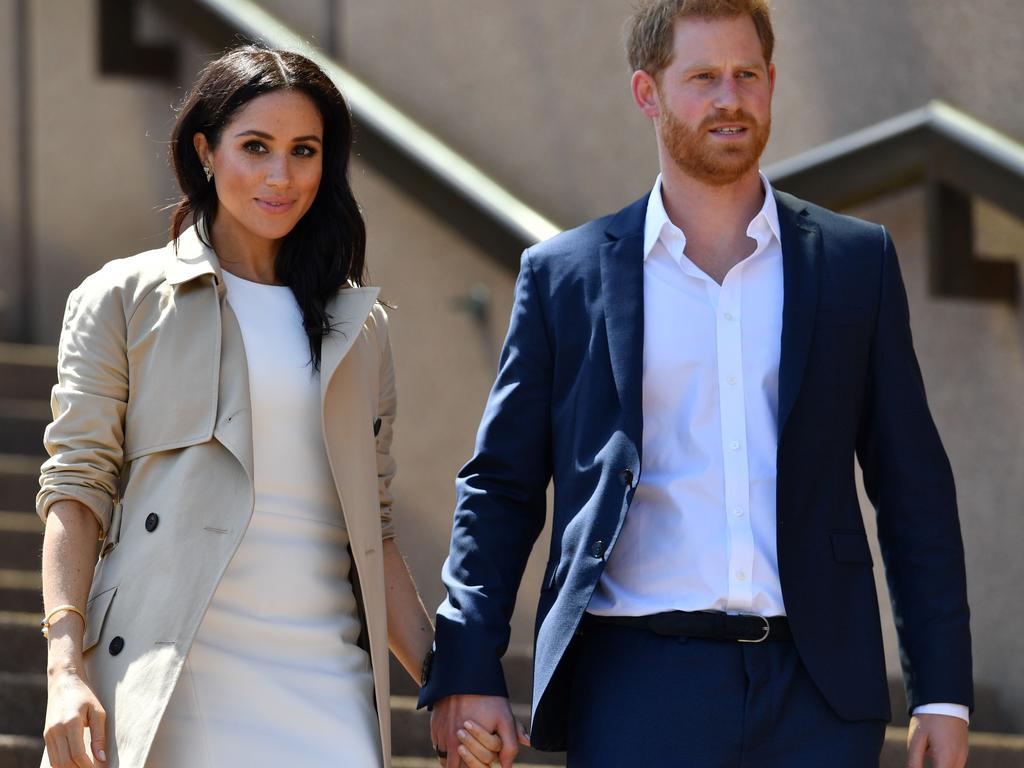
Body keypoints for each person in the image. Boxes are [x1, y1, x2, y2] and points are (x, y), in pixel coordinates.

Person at [420, 1, 973, 767]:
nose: (729, 98)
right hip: (636, 684)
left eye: (747, 74)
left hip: (817, 692)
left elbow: (912, 486)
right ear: (647, 92)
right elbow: (502, 487)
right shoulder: (564, 277)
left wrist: (940, 691)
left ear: (773, 83)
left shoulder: (854, 265)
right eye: (703, 76)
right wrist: (469, 667)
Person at [36, 46, 501, 768]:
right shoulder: (122, 300)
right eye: (256, 147)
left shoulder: (358, 329)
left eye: (304, 151)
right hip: (177, 680)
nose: (281, 177)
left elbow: (370, 531)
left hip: (326, 681)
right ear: (205, 151)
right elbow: (76, 487)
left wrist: (449, 685)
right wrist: (65, 669)